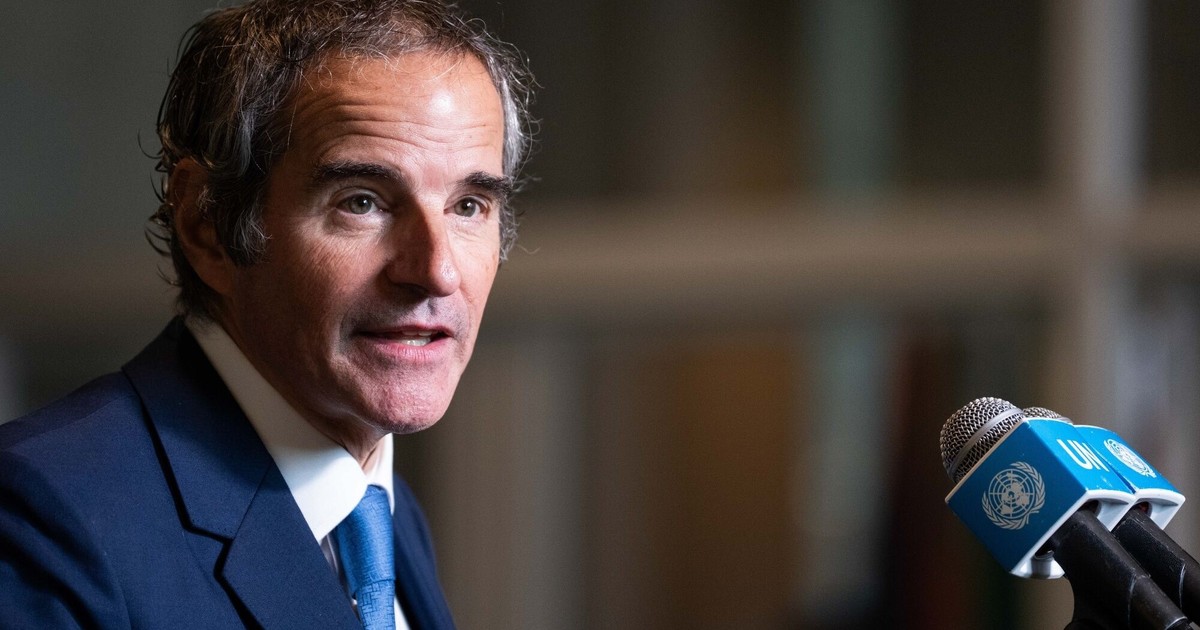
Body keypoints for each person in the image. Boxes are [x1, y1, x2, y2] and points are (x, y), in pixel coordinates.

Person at [0, 0, 533, 628]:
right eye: (362, 202)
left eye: (469, 206)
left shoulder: (376, 508)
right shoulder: (46, 518)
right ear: (207, 226)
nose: (437, 271)